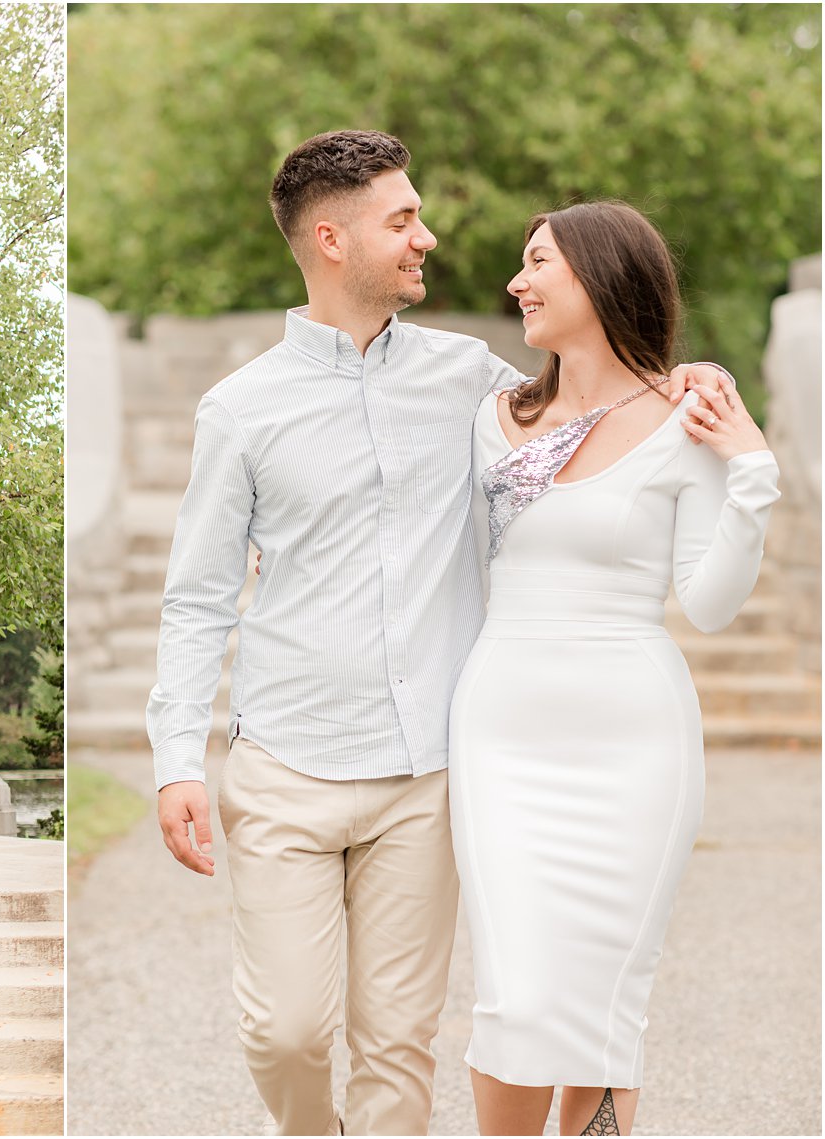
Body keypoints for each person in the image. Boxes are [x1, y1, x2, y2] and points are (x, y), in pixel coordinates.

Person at [146, 129, 732, 1136]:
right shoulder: (238, 410)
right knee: (283, 1031)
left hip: (426, 771)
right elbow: (197, 595)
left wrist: (684, 383)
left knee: (397, 1041)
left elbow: (591, 406)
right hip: (285, 761)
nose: (426, 236)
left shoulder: (474, 381)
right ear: (331, 239)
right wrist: (173, 757)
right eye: (401, 218)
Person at [449, 201, 777, 1136]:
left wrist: (749, 471)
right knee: (514, 998)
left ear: (599, 275)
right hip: (502, 734)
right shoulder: (491, 420)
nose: (518, 281)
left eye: (537, 261)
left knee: (602, 1008)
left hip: (637, 744)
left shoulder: (688, 417)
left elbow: (710, 603)